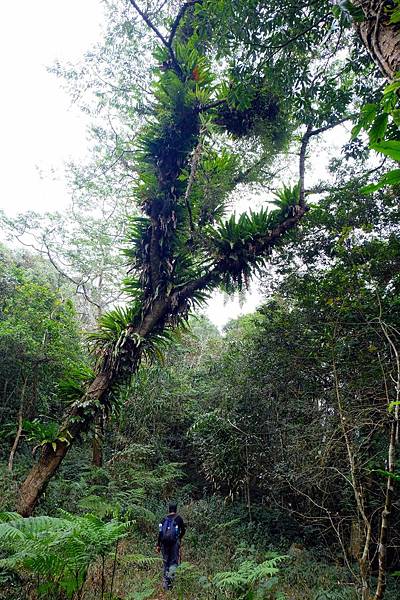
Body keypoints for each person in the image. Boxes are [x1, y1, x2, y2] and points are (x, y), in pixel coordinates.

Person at [156, 502, 186, 591]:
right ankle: (171, 583)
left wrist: (158, 545)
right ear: (176, 509)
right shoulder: (179, 519)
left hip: (164, 543)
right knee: (173, 561)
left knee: (166, 561)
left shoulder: (163, 519)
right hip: (174, 543)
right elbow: (183, 531)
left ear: (169, 509)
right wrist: (179, 538)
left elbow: (160, 533)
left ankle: (165, 584)